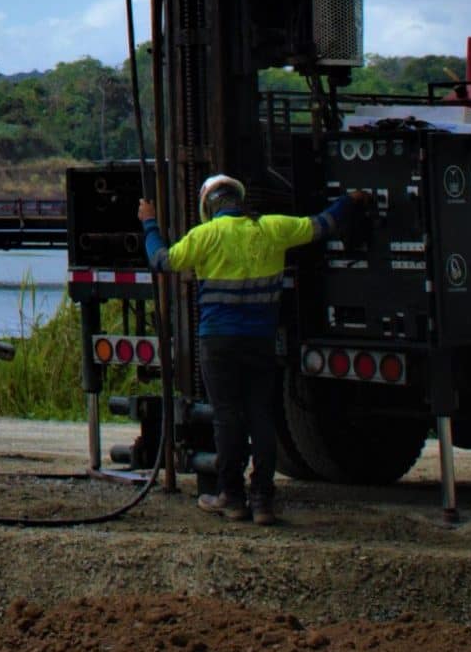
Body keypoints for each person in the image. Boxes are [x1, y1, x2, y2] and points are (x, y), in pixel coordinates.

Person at [136, 175, 368, 525]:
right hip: (260, 340)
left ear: (208, 206)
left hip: (217, 342)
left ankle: (231, 496)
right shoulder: (271, 229)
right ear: (240, 200)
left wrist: (149, 222)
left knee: (227, 416)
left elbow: (161, 261)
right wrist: (352, 199)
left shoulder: (205, 236)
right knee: (261, 415)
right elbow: (323, 225)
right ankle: (262, 500)